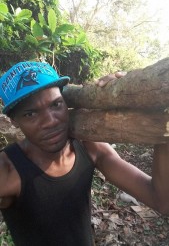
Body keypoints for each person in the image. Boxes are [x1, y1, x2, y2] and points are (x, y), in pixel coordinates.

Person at [0, 61, 169, 246]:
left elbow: (161, 199)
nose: (50, 121)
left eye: (56, 104)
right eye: (30, 114)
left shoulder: (89, 146)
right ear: (14, 120)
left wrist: (149, 107)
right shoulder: (7, 170)